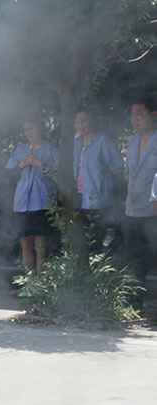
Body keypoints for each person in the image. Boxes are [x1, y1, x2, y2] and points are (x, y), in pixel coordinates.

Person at [6, 119, 58, 272]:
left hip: (42, 201)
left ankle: (41, 281)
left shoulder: (50, 149)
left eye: (31, 129)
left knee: (41, 246)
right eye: (26, 130)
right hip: (22, 202)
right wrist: (22, 163)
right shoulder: (20, 149)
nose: (28, 133)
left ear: (40, 129)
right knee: (25, 243)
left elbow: (59, 172)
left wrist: (40, 164)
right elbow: (9, 172)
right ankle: (28, 279)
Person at [121, 99, 157, 295]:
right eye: (133, 115)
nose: (135, 119)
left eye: (140, 114)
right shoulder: (131, 141)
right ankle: (136, 300)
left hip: (154, 211)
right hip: (132, 209)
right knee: (135, 259)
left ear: (154, 115)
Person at [74, 109, 122, 251]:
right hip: (82, 196)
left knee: (101, 239)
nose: (81, 125)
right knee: (88, 239)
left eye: (84, 121)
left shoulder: (102, 140)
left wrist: (103, 178)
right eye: (77, 122)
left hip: (101, 197)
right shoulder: (76, 142)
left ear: (91, 121)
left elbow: (118, 166)